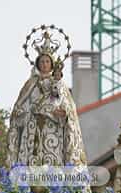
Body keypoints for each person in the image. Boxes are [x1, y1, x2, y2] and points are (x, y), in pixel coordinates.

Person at [7, 31, 86, 166]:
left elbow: (67, 106)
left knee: (52, 165)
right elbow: (21, 106)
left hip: (52, 129)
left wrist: (64, 113)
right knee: (30, 164)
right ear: (37, 63)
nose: (44, 64)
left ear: (52, 64)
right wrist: (20, 114)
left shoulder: (59, 84)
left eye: (47, 61)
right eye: (42, 61)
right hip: (32, 128)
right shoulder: (30, 84)